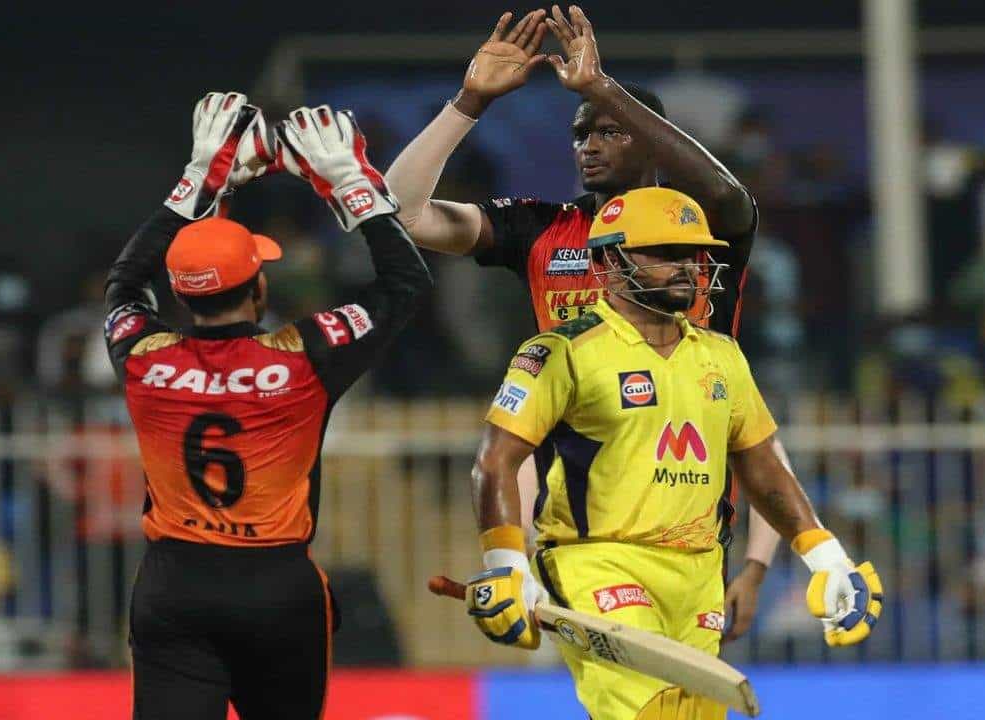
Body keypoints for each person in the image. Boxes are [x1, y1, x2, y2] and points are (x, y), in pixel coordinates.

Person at [386, 5, 778, 637]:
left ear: (649, 139)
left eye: (610, 131)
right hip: (582, 528)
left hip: (690, 520)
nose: (589, 145)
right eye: (580, 134)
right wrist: (470, 102)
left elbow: (731, 197)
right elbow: (402, 214)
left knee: (674, 688)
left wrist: (601, 87)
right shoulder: (541, 228)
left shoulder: (704, 233)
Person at [462, 187, 883, 719]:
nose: (686, 266)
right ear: (608, 263)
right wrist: (505, 563)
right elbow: (495, 460)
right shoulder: (560, 352)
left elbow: (760, 463)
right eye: (664, 253)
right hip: (599, 563)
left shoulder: (722, 356)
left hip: (699, 572)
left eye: (692, 253)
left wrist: (826, 556)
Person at [104, 92, 431, 719]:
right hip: (278, 589)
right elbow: (405, 283)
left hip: (174, 586)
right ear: (258, 287)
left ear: (180, 296)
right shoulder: (306, 357)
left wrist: (197, 180)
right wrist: (350, 184)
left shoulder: (142, 356)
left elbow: (124, 282)